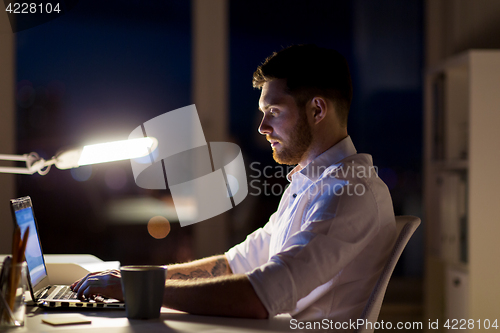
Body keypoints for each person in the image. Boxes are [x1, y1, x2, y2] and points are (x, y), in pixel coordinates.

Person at [71, 44, 396, 322]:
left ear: (317, 109)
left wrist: (138, 290)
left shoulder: (346, 194)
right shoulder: (310, 183)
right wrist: (140, 278)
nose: (262, 127)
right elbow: (233, 264)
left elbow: (258, 298)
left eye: (273, 111)